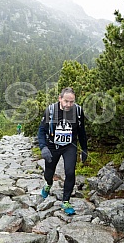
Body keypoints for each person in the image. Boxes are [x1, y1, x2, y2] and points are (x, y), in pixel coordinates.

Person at [37, 87, 88, 215]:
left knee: (70, 172)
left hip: (69, 146)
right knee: (49, 172)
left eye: (71, 102)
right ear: (60, 98)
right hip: (52, 145)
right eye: (66, 101)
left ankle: (66, 201)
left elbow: (82, 131)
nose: (68, 105)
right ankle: (48, 184)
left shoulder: (78, 111)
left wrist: (84, 148)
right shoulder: (50, 110)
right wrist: (43, 147)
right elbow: (41, 131)